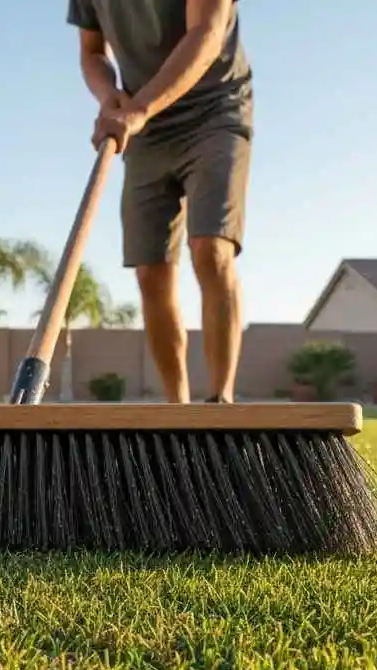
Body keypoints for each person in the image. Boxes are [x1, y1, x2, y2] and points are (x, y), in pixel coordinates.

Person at [65, 0, 253, 403]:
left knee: (211, 249)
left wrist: (139, 109)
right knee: (151, 270)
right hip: (144, 129)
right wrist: (109, 96)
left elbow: (205, 33)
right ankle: (177, 410)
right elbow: (92, 50)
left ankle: (221, 401)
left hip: (214, 110)